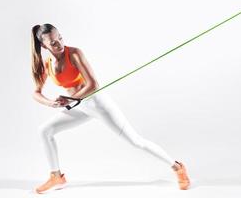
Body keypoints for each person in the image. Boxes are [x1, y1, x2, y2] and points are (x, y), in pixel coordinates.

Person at [31, 23, 190, 194]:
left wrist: (69, 99)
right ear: (43, 45)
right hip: (77, 107)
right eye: (53, 43)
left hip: (96, 103)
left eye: (60, 38)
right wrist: (51, 103)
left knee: (135, 141)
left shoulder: (74, 53)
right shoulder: (47, 64)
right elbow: (36, 92)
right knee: (45, 130)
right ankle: (56, 176)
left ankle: (177, 167)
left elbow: (93, 84)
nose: (59, 44)